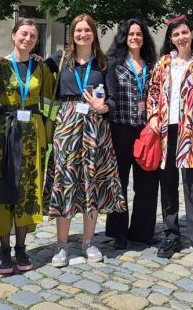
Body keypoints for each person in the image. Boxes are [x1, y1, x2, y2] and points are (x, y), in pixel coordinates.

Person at [46, 14, 126, 267]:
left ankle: (88, 241)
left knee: (92, 182)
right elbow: (32, 71)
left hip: (95, 129)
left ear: (94, 33)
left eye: (87, 30)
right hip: (68, 127)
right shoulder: (60, 60)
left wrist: (104, 107)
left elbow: (114, 99)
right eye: (78, 30)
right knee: (65, 182)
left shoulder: (105, 64)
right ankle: (61, 244)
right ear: (72, 34)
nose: (83, 34)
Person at [147, 15, 193, 269]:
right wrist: (153, 115)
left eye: (184, 33)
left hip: (191, 130)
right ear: (171, 39)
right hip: (167, 130)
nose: (181, 38)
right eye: (176, 35)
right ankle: (171, 234)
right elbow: (153, 92)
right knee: (167, 184)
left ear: (191, 34)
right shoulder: (164, 62)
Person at [0, 19, 54, 274]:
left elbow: (57, 93)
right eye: (23, 33)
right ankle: (4, 249)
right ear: (14, 35)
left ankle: (21, 247)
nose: (28, 39)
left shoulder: (40, 67)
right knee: (1, 185)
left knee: (28, 187)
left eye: (33, 36)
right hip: (4, 131)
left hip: (33, 133)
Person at [105, 18, 159, 249]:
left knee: (147, 182)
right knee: (119, 181)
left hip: (146, 130)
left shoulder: (152, 64)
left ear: (144, 38)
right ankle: (118, 233)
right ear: (124, 38)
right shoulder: (114, 64)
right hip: (120, 128)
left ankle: (142, 231)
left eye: (139, 34)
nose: (135, 38)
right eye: (131, 34)